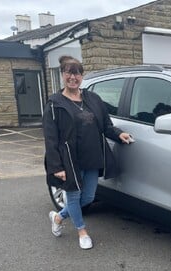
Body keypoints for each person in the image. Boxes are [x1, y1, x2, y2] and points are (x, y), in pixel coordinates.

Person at [42, 55, 132, 249]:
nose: (73, 77)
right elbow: (50, 139)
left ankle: (58, 217)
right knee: (74, 197)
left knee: (88, 197)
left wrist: (119, 134)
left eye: (77, 73)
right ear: (62, 74)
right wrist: (56, 166)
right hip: (69, 159)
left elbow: (106, 125)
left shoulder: (93, 98)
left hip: (92, 156)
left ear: (82, 76)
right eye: (69, 73)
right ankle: (82, 231)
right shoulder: (54, 104)